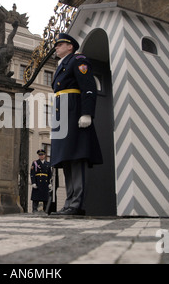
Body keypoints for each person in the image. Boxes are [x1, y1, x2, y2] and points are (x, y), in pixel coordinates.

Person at [50, 33, 103, 216]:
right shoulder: (62, 65)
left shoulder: (78, 60)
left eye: (59, 45)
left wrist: (86, 113)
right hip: (62, 114)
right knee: (66, 159)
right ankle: (69, 202)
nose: (56, 48)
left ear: (70, 46)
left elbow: (88, 86)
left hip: (73, 112)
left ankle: (76, 203)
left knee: (76, 155)